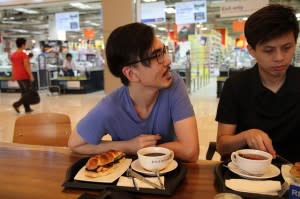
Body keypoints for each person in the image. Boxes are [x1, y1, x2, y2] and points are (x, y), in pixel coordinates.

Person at [68, 22, 199, 162]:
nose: (168, 60)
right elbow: (75, 144)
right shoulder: (111, 107)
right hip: (126, 179)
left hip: (168, 176)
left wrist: (146, 150)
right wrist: (128, 146)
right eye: (157, 56)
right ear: (131, 74)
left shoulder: (173, 84)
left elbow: (190, 151)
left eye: (164, 51)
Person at [215, 4, 300, 163]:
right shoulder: (235, 86)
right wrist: (246, 136)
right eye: (269, 50)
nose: (279, 57)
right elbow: (221, 146)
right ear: (252, 51)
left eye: (287, 48)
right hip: (248, 175)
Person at [11, 38, 35, 113]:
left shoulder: (13, 54)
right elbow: (26, 66)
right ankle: (17, 104)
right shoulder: (23, 54)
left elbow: (13, 66)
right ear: (23, 45)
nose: (25, 45)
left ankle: (27, 108)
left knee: (24, 93)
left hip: (17, 76)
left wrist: (13, 75)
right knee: (29, 92)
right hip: (24, 76)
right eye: (25, 44)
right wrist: (31, 75)